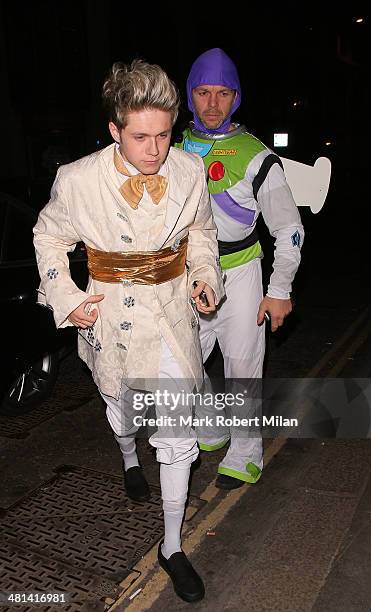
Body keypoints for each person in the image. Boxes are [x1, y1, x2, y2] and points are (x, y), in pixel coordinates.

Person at [33, 59, 224, 603]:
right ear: (114, 130)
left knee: (178, 436)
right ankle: (125, 456)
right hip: (111, 318)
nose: (155, 150)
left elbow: (202, 233)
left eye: (164, 135)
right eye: (140, 136)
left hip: (170, 320)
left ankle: (171, 545)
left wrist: (205, 276)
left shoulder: (188, 171)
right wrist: (68, 299)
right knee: (122, 413)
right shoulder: (77, 179)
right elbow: (47, 238)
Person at [176, 48, 305, 489]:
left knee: (242, 367)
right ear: (190, 95)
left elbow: (289, 228)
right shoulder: (171, 151)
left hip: (243, 274)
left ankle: (246, 453)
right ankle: (211, 426)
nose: (212, 103)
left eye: (223, 93)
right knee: (184, 361)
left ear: (236, 97)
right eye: (203, 92)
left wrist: (280, 289)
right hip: (190, 274)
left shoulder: (257, 156)